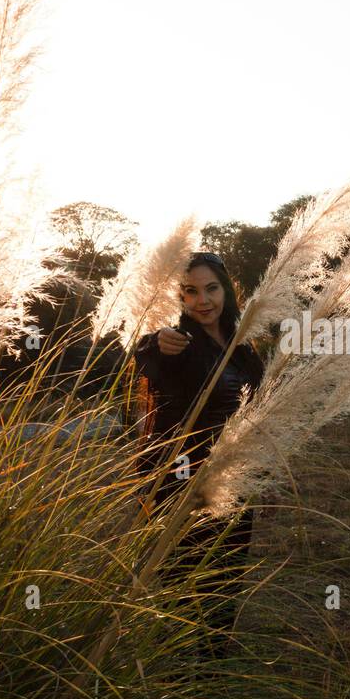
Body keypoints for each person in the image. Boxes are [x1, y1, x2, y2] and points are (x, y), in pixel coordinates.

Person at [132, 251, 265, 656]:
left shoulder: (243, 346)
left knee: (225, 580)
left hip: (235, 480)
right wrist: (154, 344)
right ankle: (176, 671)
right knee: (185, 584)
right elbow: (149, 355)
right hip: (185, 484)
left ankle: (212, 672)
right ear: (180, 297)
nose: (202, 301)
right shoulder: (179, 341)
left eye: (211, 289)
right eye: (190, 292)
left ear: (226, 289)